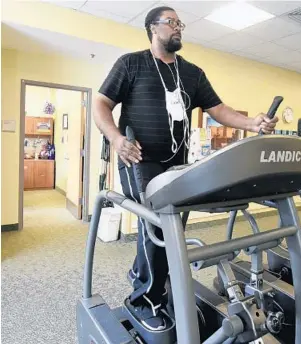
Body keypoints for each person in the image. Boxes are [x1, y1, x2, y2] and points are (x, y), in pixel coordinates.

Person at [93, 5, 278, 332]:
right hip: (137, 159)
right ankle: (143, 298)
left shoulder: (191, 72)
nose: (178, 28)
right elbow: (101, 103)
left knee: (170, 228)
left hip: (176, 162)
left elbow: (218, 109)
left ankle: (144, 274)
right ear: (153, 27)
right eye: (171, 22)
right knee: (158, 228)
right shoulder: (131, 64)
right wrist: (115, 137)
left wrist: (252, 122)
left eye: (181, 24)